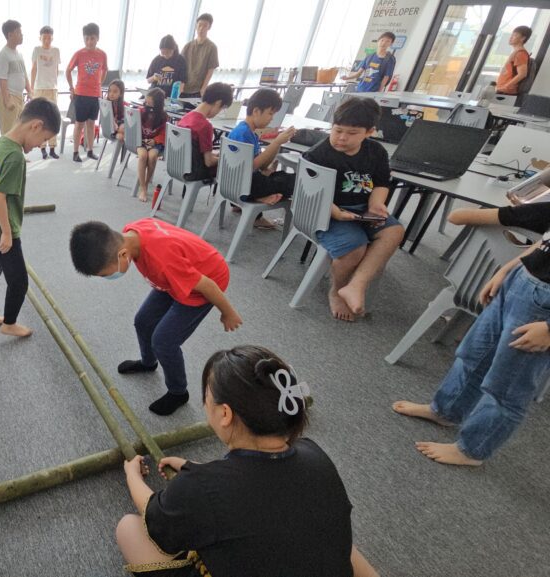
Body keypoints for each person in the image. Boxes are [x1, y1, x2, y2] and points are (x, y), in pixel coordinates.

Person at [116, 345, 379, 577]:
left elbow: (156, 515)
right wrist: (195, 470)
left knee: (128, 528)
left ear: (225, 413)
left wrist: (133, 475)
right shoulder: (313, 452)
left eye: (207, 397)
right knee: (327, 538)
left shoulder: (200, 488)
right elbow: (256, 489)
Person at [393, 203, 550, 466]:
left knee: (507, 388)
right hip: (522, 282)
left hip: (542, 310)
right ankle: (445, 410)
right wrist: (509, 269)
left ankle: (471, 451)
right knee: (473, 355)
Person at [69, 219, 241, 415]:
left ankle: (178, 392)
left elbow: (207, 285)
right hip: (175, 277)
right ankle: (148, 362)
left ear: (123, 254)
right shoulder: (130, 232)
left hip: (205, 284)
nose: (105, 278)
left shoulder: (164, 261)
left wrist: (227, 312)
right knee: (143, 321)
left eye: (103, 275)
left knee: (164, 341)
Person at [303, 97, 404, 322]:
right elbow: (310, 193)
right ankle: (337, 290)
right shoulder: (319, 154)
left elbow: (381, 182)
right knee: (354, 248)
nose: (341, 137)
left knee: (395, 231)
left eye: (352, 133)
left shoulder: (376, 151)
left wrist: (376, 204)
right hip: (325, 211)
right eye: (337, 130)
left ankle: (356, 284)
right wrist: (336, 212)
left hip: (361, 210)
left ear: (369, 132)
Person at [0, 98, 60, 338]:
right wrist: (7, 233)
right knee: (19, 281)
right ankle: (9, 323)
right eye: (43, 139)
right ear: (35, 125)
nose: (40, 144)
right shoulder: (15, 157)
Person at [227, 88, 296, 229]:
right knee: (293, 181)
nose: (272, 118)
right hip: (244, 186)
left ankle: (253, 200)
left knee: (277, 176)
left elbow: (262, 165)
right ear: (256, 111)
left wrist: (276, 146)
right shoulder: (244, 134)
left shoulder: (245, 130)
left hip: (237, 183)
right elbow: (251, 166)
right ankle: (256, 200)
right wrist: (276, 142)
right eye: (270, 113)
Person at [66, 22, 108, 163]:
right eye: (87, 38)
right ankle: (75, 152)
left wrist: (100, 83)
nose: (89, 41)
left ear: (98, 38)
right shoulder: (79, 54)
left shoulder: (102, 54)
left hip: (95, 95)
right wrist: (72, 88)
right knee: (79, 124)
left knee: (91, 123)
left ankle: (90, 150)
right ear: (84, 39)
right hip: (81, 94)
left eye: (92, 38)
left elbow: (105, 69)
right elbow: (68, 70)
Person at [177, 83, 233, 182]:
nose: (219, 112)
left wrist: (215, 155)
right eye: (222, 108)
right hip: (195, 171)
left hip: (179, 165)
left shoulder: (186, 117)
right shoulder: (205, 126)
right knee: (231, 167)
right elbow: (209, 162)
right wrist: (223, 159)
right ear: (218, 103)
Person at [31, 25, 61, 159]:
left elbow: (56, 70)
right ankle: (42, 147)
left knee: (53, 117)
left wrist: (55, 84)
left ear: (52, 38)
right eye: (45, 38)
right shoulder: (37, 50)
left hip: (52, 88)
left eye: (49, 38)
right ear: (40, 38)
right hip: (39, 88)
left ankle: (53, 147)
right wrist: (31, 88)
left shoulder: (56, 51)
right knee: (40, 118)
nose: (47, 40)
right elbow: (33, 69)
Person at [0, 20, 31, 137]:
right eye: (19, 33)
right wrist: (7, 100)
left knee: (19, 130)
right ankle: (8, 156)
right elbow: (2, 79)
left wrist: (30, 91)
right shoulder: (3, 55)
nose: (22, 35)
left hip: (19, 97)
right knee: (8, 132)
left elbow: (24, 74)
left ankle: (16, 155)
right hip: (9, 96)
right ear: (10, 35)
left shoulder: (19, 54)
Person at [136, 88, 167, 203]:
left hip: (155, 142)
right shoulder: (140, 112)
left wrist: (155, 140)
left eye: (150, 103)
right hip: (141, 140)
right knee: (143, 156)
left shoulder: (163, 116)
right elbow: (133, 125)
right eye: (146, 102)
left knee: (152, 156)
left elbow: (164, 133)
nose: (147, 105)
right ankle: (142, 187)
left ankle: (146, 183)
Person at [180, 13, 219, 99]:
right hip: (183, 88)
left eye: (205, 26)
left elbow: (210, 70)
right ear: (196, 26)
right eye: (199, 25)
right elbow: (180, 66)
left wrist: (203, 88)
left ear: (209, 27)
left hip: (198, 90)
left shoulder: (212, 47)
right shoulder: (188, 46)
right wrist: (180, 85)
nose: (201, 28)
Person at [496, 25, 532, 95]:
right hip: (503, 90)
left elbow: (522, 74)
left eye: (514, 35)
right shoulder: (516, 52)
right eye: (511, 35)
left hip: (506, 92)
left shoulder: (520, 53)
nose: (510, 38)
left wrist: (505, 87)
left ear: (523, 38)